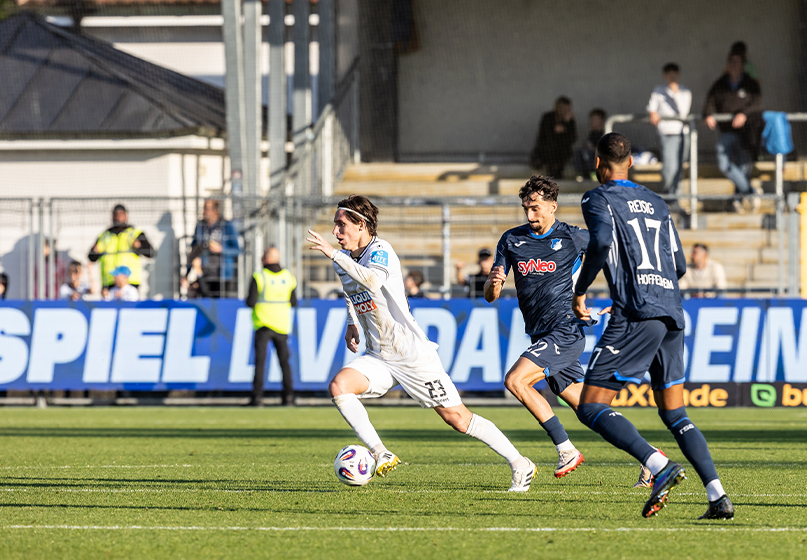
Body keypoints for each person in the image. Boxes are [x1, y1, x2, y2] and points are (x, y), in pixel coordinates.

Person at [306, 195, 537, 491]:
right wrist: (352, 322)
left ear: (361, 225)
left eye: (341, 225)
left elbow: (372, 281)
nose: (336, 232)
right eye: (335, 225)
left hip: (412, 355)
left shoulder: (380, 250)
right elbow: (351, 291)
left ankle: (520, 463)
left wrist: (334, 255)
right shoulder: (345, 258)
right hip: (379, 355)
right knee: (339, 386)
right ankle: (380, 452)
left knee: (457, 418)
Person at [572, 133, 733, 520]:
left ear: (598, 163)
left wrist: (580, 290)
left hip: (636, 311)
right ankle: (718, 496)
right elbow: (678, 264)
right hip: (672, 312)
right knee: (675, 413)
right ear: (631, 163)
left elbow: (602, 241)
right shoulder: (658, 202)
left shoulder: (597, 198)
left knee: (591, 405)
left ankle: (658, 466)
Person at [485, 175, 595, 478]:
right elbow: (491, 296)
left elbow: (607, 254)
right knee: (590, 409)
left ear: (553, 207)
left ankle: (566, 450)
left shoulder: (572, 236)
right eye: (526, 209)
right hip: (541, 333)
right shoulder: (511, 240)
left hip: (565, 330)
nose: (530, 215)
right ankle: (651, 460)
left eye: (535, 208)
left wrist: (585, 293)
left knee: (516, 381)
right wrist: (493, 285)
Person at [704, 50, 763, 214]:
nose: (735, 65)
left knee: (744, 167)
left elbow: (757, 104)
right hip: (727, 131)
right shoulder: (721, 84)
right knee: (724, 164)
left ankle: (737, 200)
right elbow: (710, 101)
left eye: (738, 62)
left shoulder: (750, 84)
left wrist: (743, 113)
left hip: (746, 133)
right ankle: (751, 192)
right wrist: (708, 114)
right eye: (732, 62)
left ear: (743, 65)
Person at [246, 247, 298, 406]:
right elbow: (294, 302)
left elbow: (250, 302)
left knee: (260, 362)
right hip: (282, 324)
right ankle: (288, 397)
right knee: (284, 363)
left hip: (263, 324)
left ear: (266, 258)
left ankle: (257, 398)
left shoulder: (259, 276)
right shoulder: (288, 276)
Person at [88, 204, 154, 294]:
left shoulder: (135, 233)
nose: (118, 217)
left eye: (121, 214)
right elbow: (91, 257)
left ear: (126, 215)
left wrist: (139, 247)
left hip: (130, 282)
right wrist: (95, 252)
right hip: (109, 282)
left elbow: (151, 253)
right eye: (115, 214)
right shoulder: (104, 236)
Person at [648, 63, 692, 195]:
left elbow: (683, 113)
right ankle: (669, 195)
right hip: (666, 133)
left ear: (678, 75)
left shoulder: (685, 92)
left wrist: (675, 93)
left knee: (679, 167)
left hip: (682, 134)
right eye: (668, 75)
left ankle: (675, 196)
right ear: (664, 76)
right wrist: (653, 114)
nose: (671, 77)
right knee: (670, 167)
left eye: (674, 74)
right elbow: (651, 108)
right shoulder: (658, 90)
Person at [191, 200, 241, 298]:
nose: (204, 212)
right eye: (204, 208)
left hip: (223, 275)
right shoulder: (200, 226)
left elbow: (237, 250)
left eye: (207, 209)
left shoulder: (227, 226)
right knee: (206, 305)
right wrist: (187, 273)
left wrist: (221, 249)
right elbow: (194, 250)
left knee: (221, 306)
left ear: (215, 211)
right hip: (205, 274)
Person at [530, 96, 577, 179]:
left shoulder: (570, 120)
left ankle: (557, 171)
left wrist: (566, 124)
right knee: (551, 148)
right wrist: (557, 130)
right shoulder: (548, 117)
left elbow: (573, 137)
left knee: (563, 150)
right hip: (547, 147)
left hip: (562, 149)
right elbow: (545, 135)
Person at [573, 108, 607, 180]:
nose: (592, 122)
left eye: (595, 119)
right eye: (591, 119)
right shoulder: (592, 133)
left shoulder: (605, 133)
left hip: (599, 159)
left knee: (587, 153)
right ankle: (581, 174)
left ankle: (594, 174)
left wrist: (593, 148)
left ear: (602, 120)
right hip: (589, 156)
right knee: (578, 152)